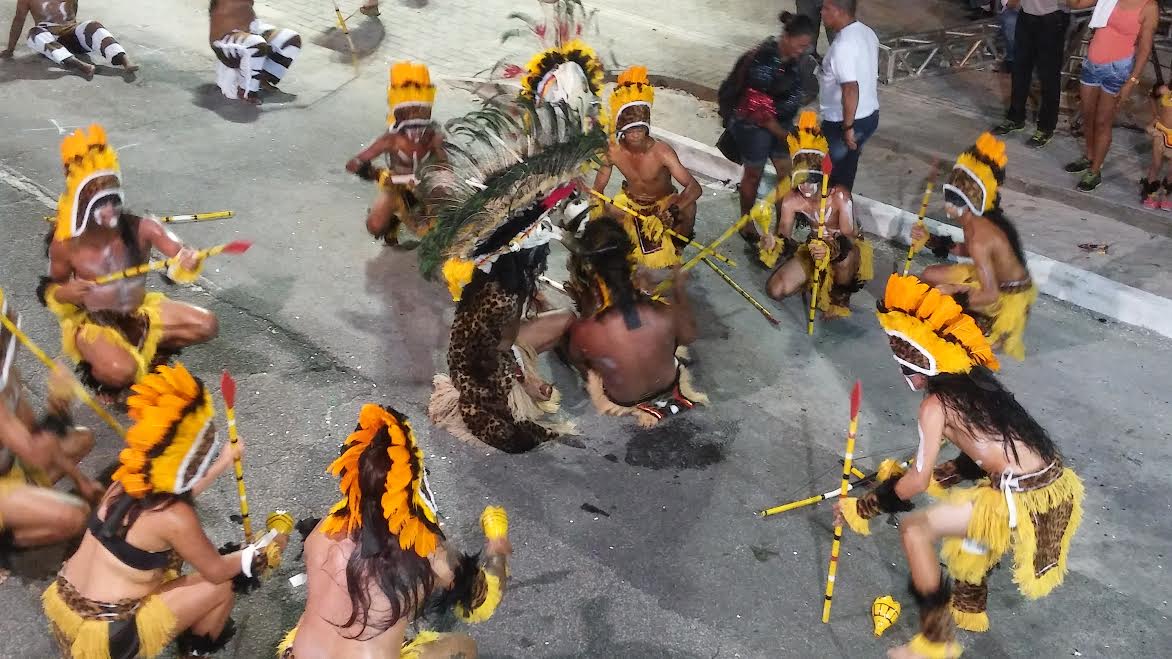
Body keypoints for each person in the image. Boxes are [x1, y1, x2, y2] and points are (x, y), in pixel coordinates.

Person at [836, 274, 1084, 658]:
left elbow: (917, 482)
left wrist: (865, 505)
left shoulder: (934, 406)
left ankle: (936, 642)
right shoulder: (974, 383)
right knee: (971, 530)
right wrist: (928, 475)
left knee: (915, 530)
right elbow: (981, 455)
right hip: (1053, 484)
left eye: (903, 365)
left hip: (1019, 496)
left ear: (916, 366)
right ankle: (969, 608)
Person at [43, 363, 290, 659]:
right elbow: (217, 571)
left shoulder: (128, 479)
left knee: (168, 559)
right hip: (107, 635)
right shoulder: (176, 518)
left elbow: (163, 502)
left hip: (66, 605)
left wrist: (221, 464)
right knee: (224, 587)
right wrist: (261, 551)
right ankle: (193, 653)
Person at [422, 99, 600, 453]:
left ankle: (587, 380)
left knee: (564, 318)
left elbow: (505, 335)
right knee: (519, 439)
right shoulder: (504, 291)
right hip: (484, 372)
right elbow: (498, 349)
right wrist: (529, 381)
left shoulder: (503, 273)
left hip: (485, 354)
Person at [278, 404, 511, 658]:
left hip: (298, 653)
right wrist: (497, 544)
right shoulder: (430, 554)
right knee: (465, 647)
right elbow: (483, 599)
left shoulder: (324, 530)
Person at [38, 125, 219, 398]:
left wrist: (187, 261)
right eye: (102, 203)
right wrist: (68, 293)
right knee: (121, 371)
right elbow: (51, 289)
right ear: (83, 206)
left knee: (207, 324)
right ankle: (104, 377)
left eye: (114, 200)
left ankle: (154, 351)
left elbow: (178, 254)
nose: (111, 210)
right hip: (95, 322)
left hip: (139, 312)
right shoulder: (66, 245)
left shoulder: (143, 227)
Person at [564, 217, 707, 428]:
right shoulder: (663, 311)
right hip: (669, 384)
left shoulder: (585, 331)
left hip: (621, 399)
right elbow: (689, 336)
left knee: (573, 345)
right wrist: (678, 290)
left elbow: (579, 358)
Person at [910, 133, 1037, 360]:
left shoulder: (980, 234)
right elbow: (969, 251)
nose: (947, 204)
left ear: (967, 203)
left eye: (953, 198)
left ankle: (993, 330)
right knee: (929, 276)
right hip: (988, 279)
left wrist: (953, 294)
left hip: (1004, 298)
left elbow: (990, 294)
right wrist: (930, 239)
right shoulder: (976, 221)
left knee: (943, 311)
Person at [1, 303, 102, 564]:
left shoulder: (7, 376)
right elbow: (36, 451)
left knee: (82, 439)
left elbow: (35, 433)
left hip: (12, 466)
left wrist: (81, 481)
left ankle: (27, 504)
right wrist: (58, 403)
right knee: (76, 516)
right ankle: (5, 545)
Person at [762, 111, 874, 319]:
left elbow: (849, 237)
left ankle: (840, 298)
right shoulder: (791, 200)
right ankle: (813, 280)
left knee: (845, 259)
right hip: (814, 248)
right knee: (775, 289)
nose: (805, 186)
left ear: (822, 176)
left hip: (842, 249)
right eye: (800, 180)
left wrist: (829, 249)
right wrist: (774, 243)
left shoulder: (839, 196)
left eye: (810, 179)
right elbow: (784, 235)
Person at [592, 66, 702, 271]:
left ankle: (676, 248)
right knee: (603, 222)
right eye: (631, 129)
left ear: (647, 127)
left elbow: (694, 188)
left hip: (663, 205)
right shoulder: (613, 151)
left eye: (640, 129)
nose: (636, 134)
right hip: (630, 202)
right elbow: (598, 188)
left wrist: (671, 212)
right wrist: (596, 206)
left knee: (689, 207)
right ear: (621, 129)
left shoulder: (661, 152)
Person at [719, 12, 814, 244]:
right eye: (800, 45)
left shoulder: (793, 60)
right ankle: (746, 223)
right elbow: (758, 108)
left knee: (787, 175)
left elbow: (797, 93)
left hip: (780, 123)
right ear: (787, 37)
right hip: (753, 125)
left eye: (806, 47)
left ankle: (783, 229)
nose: (803, 51)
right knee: (754, 174)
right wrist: (787, 136)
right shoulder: (764, 59)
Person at [345, 62, 447, 246]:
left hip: (425, 188)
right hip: (395, 187)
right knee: (375, 225)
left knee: (436, 231)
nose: (416, 120)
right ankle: (394, 220)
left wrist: (436, 181)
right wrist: (370, 170)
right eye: (411, 113)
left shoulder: (435, 137)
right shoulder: (390, 140)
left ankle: (417, 218)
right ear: (400, 116)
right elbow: (353, 164)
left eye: (421, 113)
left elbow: (445, 168)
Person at [1064, 0, 1158, 192]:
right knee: (1087, 115)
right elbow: (1076, 4)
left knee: (1103, 122)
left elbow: (1145, 48)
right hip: (1092, 63)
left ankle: (1095, 170)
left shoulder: (1149, 7)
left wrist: (1131, 81)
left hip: (1117, 70)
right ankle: (1089, 156)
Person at [818, 0, 880, 192]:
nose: (821, 12)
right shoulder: (867, 33)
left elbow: (850, 88)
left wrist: (847, 127)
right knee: (846, 173)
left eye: (826, 8)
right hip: (868, 115)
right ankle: (843, 207)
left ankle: (832, 209)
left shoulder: (843, 45)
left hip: (844, 121)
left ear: (840, 11)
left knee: (826, 178)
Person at [992, 1, 1071, 148]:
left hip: (1053, 17)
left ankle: (1046, 127)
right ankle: (1015, 117)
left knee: (1048, 76)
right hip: (1026, 15)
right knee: (1020, 69)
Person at [1, 0, 138, 79]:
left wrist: (74, 28)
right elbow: (19, 20)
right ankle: (78, 64)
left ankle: (124, 60)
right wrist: (10, 49)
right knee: (34, 33)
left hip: (72, 34)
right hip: (49, 40)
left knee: (93, 25)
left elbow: (74, 8)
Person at [208, 0, 302, 105]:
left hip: (251, 28)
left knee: (289, 38)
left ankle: (262, 78)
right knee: (256, 44)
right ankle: (246, 90)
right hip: (224, 38)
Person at [1142, 83, 1172, 208]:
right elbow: (1152, 96)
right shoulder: (1165, 89)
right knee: (1156, 164)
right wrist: (1155, 116)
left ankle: (1166, 194)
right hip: (1161, 133)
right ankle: (1150, 193)